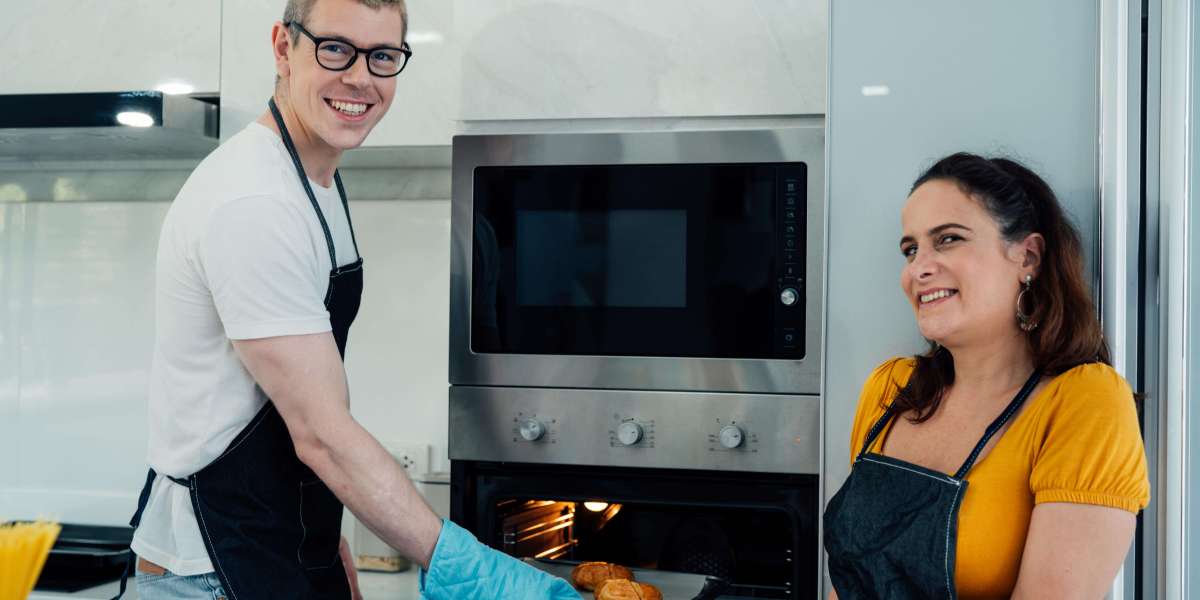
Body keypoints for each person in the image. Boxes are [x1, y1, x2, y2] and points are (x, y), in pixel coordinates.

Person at [121, 0, 580, 598]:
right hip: (214, 570)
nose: (360, 78)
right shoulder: (254, 202)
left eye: (382, 56)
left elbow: (291, 402)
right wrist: (467, 565)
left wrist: (320, 531)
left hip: (274, 543)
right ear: (284, 49)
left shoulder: (314, 179)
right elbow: (321, 432)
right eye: (335, 48)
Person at [823, 153, 1150, 599]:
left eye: (949, 239)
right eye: (911, 249)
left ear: (1028, 257)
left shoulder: (1082, 401)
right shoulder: (890, 389)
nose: (918, 268)